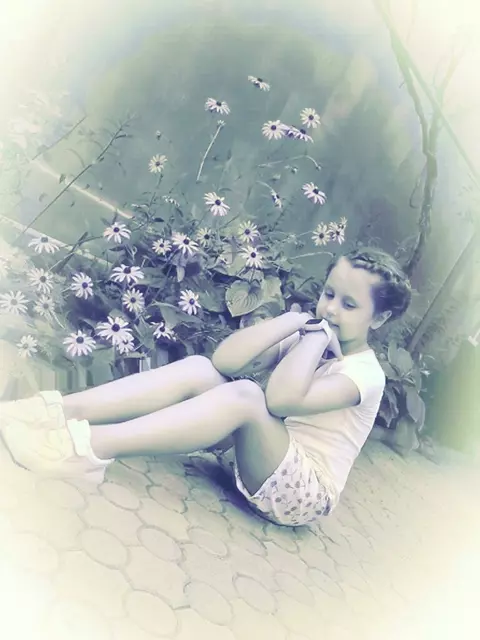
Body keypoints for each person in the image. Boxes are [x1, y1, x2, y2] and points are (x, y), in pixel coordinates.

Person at [0, 247, 411, 527]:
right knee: (200, 369)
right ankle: (55, 411)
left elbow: (280, 400)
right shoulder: (309, 334)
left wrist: (315, 337)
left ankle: (86, 449)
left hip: (301, 494)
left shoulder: (364, 374)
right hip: (257, 458)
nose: (331, 309)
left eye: (349, 305)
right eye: (328, 294)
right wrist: (290, 322)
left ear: (378, 319)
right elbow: (224, 362)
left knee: (248, 396)